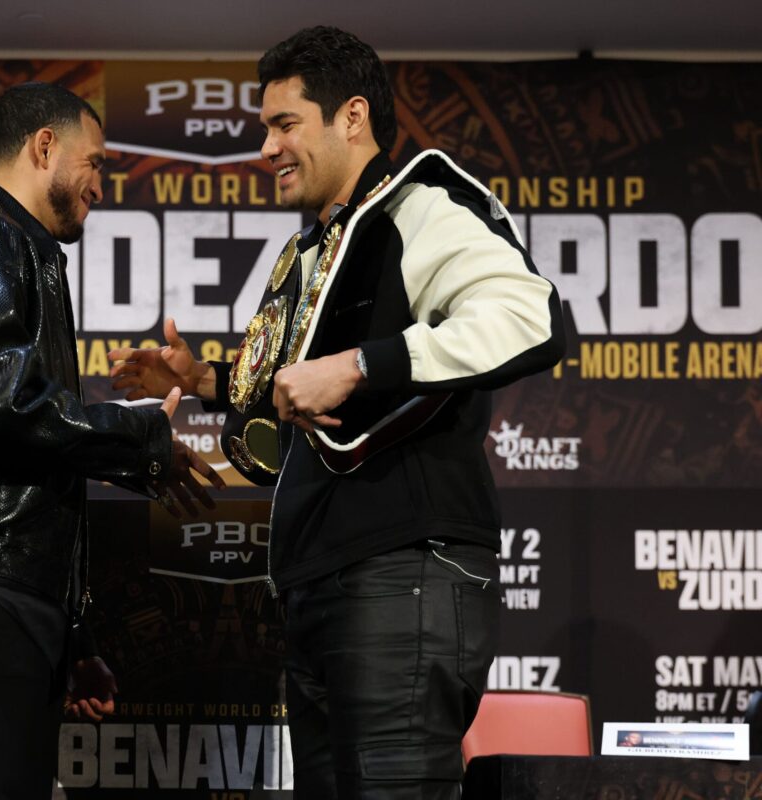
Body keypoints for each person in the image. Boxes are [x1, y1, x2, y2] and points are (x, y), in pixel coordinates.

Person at [110, 26, 566, 799]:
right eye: (265, 128)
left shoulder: (420, 206)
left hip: (404, 574)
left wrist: (357, 365)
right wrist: (204, 378)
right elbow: (296, 393)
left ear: (351, 117)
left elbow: (532, 319)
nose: (266, 148)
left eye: (284, 124)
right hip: (325, 581)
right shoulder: (320, 246)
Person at [0, 81, 224, 800]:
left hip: (0, 592)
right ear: (44, 146)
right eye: (94, 163)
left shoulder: (15, 251)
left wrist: (73, 634)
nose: (101, 185)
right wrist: (140, 432)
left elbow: (21, 445)